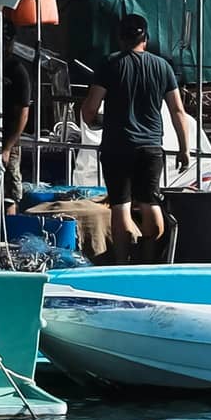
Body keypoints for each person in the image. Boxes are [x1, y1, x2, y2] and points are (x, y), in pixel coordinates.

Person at [82, 16, 193, 261]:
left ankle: (121, 263)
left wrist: (95, 121)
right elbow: (178, 111)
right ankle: (150, 258)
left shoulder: (110, 64)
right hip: (151, 147)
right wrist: (185, 149)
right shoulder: (162, 67)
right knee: (150, 202)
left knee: (120, 206)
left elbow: (91, 107)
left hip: (117, 145)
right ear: (146, 38)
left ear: (121, 38)